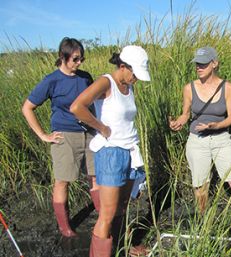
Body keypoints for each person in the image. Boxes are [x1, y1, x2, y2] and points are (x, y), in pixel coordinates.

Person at [169, 46, 231, 237]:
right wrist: (178, 122)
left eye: (203, 63)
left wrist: (216, 125)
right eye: (197, 63)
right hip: (197, 141)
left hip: (222, 140)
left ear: (215, 63)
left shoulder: (228, 87)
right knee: (201, 186)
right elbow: (186, 114)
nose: (199, 67)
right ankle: (204, 226)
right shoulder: (189, 88)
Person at [70, 45, 150, 257]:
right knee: (106, 213)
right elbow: (77, 107)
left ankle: (121, 247)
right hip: (111, 152)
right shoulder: (106, 82)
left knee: (122, 207)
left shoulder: (129, 86)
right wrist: (101, 127)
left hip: (130, 151)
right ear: (123, 66)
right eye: (135, 73)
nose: (137, 79)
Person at [21, 37, 99, 237]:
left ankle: (102, 217)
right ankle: (65, 228)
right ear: (62, 57)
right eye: (75, 59)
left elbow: (92, 104)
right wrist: (42, 135)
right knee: (63, 181)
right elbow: (28, 108)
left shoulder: (85, 77)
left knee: (95, 176)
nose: (79, 63)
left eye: (82, 58)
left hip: (89, 134)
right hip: (65, 135)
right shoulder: (51, 80)